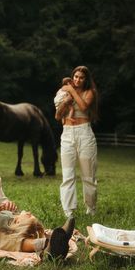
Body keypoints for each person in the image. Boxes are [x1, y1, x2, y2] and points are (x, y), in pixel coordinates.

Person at [55, 66, 98, 217]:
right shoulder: (64, 93)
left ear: (86, 79)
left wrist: (72, 91)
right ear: (72, 77)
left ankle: (91, 209)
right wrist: (65, 102)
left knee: (88, 175)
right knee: (67, 175)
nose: (77, 80)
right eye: (75, 76)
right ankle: (68, 210)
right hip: (67, 134)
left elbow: (84, 107)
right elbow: (57, 116)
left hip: (84, 134)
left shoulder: (89, 92)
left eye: (81, 77)